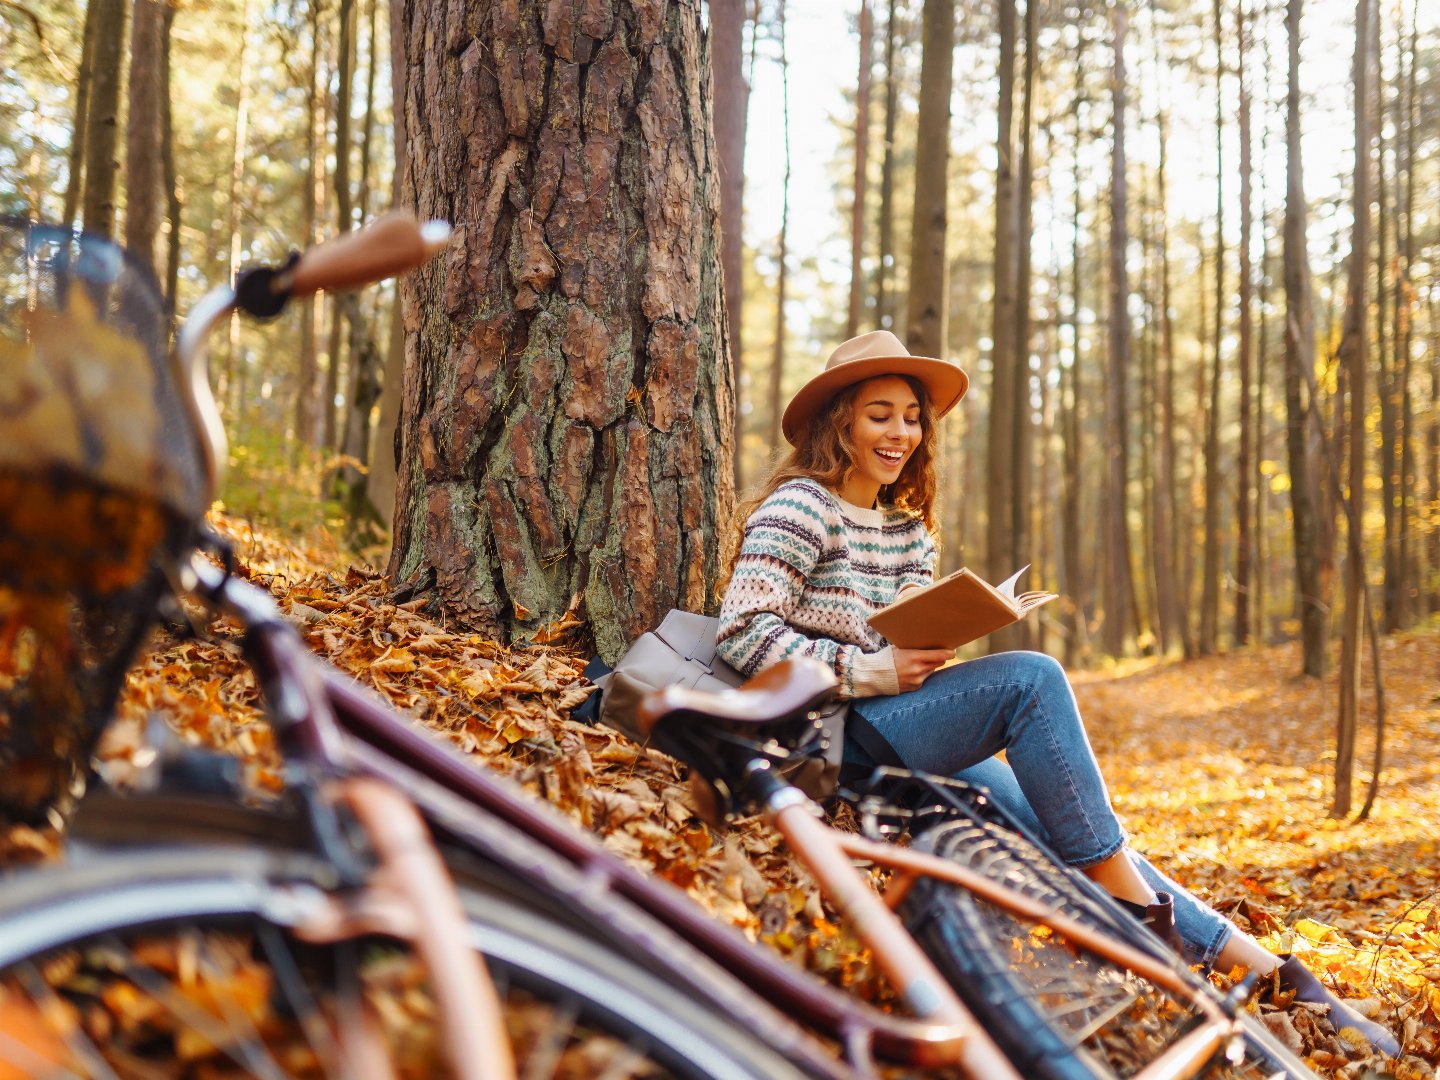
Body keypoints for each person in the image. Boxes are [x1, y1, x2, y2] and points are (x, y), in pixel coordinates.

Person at [715, 330, 1399, 1057]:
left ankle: (1275, 979)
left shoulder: (909, 530)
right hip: (825, 737)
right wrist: (874, 673)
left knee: (1077, 834)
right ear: (840, 422)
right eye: (880, 414)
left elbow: (899, 638)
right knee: (1034, 679)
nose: (901, 433)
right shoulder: (800, 507)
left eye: (912, 417)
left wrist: (930, 643)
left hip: (897, 727)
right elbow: (742, 632)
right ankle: (1139, 920)